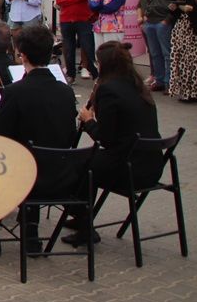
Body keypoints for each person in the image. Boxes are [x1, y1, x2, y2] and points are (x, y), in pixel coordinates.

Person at [0, 24, 78, 257]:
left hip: (26, 177)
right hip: (62, 175)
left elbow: (2, 139)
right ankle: (30, 238)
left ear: (21, 54)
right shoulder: (66, 92)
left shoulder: (15, 92)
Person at [70, 42, 164, 246]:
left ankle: (84, 223)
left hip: (129, 168)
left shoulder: (109, 90)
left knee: (80, 165)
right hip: (152, 165)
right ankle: (82, 218)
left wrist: (88, 121)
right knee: (89, 161)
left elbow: (107, 140)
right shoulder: (137, 85)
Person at [138, 0, 178, 92]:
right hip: (151, 21)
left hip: (163, 21)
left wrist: (168, 19)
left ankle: (169, 82)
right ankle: (159, 80)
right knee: (155, 53)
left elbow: (177, 0)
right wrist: (146, 16)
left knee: (167, 53)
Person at [56, 0, 97, 83]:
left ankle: (95, 74)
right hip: (66, 19)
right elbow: (60, 0)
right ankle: (71, 74)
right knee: (68, 48)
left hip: (83, 19)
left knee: (87, 47)